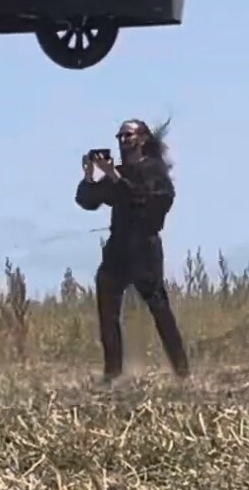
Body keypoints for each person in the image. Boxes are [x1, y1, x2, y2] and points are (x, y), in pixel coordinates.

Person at [75, 118, 191, 380]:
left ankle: (182, 370)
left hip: (144, 248)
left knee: (159, 308)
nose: (123, 141)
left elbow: (143, 200)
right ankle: (113, 374)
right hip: (118, 247)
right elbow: (88, 201)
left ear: (143, 139)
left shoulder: (154, 170)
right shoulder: (118, 173)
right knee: (107, 309)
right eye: (120, 136)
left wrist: (115, 177)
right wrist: (89, 175)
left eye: (128, 135)